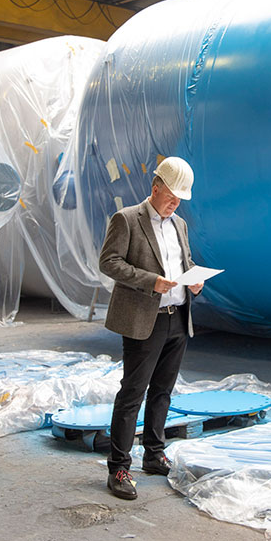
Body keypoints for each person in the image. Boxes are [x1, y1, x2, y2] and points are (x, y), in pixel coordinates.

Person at [99, 156, 203, 500]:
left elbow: (183, 263)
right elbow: (109, 261)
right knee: (132, 394)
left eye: (179, 201)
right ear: (155, 188)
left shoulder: (180, 225)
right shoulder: (127, 219)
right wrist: (150, 281)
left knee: (162, 392)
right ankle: (119, 467)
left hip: (177, 316)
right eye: (171, 197)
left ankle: (154, 455)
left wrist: (194, 280)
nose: (175, 205)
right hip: (145, 319)